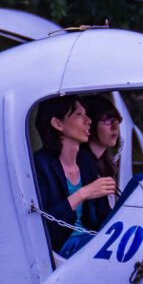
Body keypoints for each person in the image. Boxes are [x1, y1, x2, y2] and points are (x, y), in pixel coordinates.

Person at [32, 95, 116, 257]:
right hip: (65, 247)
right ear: (57, 123)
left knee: (138, 181)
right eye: (79, 115)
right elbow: (44, 227)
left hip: (92, 238)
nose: (88, 120)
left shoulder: (85, 161)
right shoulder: (40, 165)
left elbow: (102, 216)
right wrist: (83, 193)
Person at [80, 94, 122, 183]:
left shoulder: (107, 164)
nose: (115, 127)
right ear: (90, 123)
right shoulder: (81, 163)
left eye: (117, 121)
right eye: (107, 120)